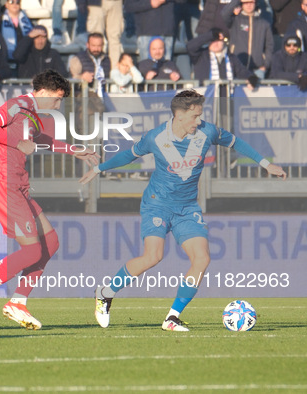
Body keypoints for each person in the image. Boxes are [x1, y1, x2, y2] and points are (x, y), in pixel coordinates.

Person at [79, 89, 287, 331]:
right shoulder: (155, 138)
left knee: (202, 258)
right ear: (179, 116)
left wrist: (266, 163)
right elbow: (128, 155)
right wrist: (98, 169)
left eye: (200, 115)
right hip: (157, 203)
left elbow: (236, 142)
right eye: (195, 116)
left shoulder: (208, 132)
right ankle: (105, 292)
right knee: (153, 256)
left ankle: (172, 317)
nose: (199, 121)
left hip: (187, 207)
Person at [0, 69, 99, 329]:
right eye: (56, 99)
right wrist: (16, 143)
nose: (57, 105)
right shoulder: (17, 105)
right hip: (2, 182)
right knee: (32, 250)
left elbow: (39, 139)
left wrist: (72, 150)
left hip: (18, 185)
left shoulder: (32, 115)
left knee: (51, 241)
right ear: (44, 93)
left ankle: (18, 302)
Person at [187, 28, 258, 87]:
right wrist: (211, 35)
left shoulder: (231, 57)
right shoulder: (200, 56)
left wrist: (251, 77)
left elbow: (242, 71)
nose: (216, 43)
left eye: (219, 40)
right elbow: (190, 46)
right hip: (205, 99)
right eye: (213, 40)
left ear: (223, 42)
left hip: (226, 99)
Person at [222, 0, 274, 79]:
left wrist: (265, 66)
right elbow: (224, 14)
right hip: (237, 69)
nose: (249, 5)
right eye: (246, 2)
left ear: (255, 3)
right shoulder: (235, 21)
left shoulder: (264, 24)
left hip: (257, 70)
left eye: (251, 2)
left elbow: (269, 46)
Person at [83, 0, 124, 68]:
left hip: (116, 3)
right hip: (96, 4)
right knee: (95, 38)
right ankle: (94, 69)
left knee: (115, 39)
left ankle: (115, 70)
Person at [69, 32, 111, 98]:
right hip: (83, 96)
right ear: (87, 45)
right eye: (93, 46)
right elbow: (70, 78)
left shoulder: (106, 59)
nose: (96, 49)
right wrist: (82, 77)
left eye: (99, 46)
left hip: (103, 95)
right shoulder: (78, 58)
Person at [0, 0, 33, 75]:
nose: (15, 4)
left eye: (17, 2)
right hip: (7, 60)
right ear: (6, 4)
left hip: (25, 60)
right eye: (11, 2)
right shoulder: (0, 20)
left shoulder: (27, 21)